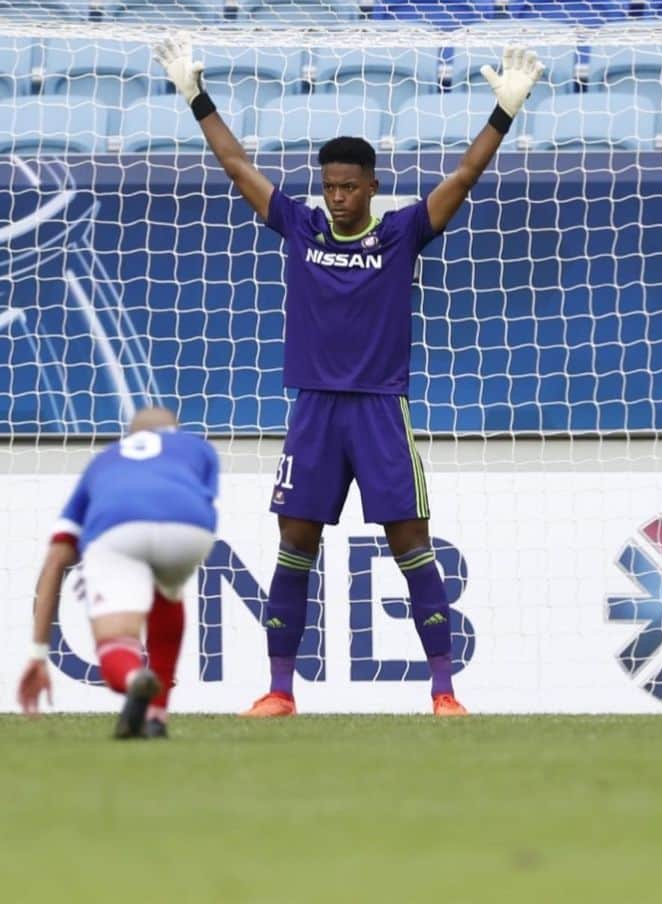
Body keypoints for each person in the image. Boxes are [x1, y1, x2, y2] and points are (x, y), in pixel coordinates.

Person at [154, 37, 544, 717]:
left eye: (348, 186)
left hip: (379, 411)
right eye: (329, 185)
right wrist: (196, 96)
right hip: (313, 412)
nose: (336, 197)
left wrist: (503, 112)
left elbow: (462, 179)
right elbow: (236, 164)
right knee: (295, 544)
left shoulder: (399, 235)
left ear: (371, 186)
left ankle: (444, 692)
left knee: (411, 545)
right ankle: (279, 690)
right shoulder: (299, 228)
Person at [17, 406, 218, 738]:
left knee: (117, 643)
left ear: (129, 437)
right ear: (176, 433)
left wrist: (38, 654)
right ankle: (157, 716)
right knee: (169, 591)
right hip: (191, 529)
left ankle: (133, 679)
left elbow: (56, 559)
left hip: (116, 530)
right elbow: (210, 504)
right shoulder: (198, 447)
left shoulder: (104, 461)